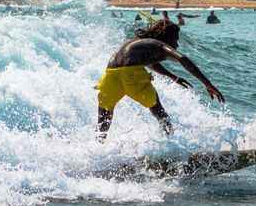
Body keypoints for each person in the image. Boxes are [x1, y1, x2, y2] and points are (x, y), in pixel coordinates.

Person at [94, 17, 224, 140]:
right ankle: (171, 143)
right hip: (132, 77)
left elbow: (150, 63)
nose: (177, 44)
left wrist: (173, 77)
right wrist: (207, 83)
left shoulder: (138, 44)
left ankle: (97, 149)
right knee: (160, 113)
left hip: (109, 77)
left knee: (103, 121)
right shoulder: (159, 44)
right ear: (166, 37)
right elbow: (181, 58)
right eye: (176, 39)